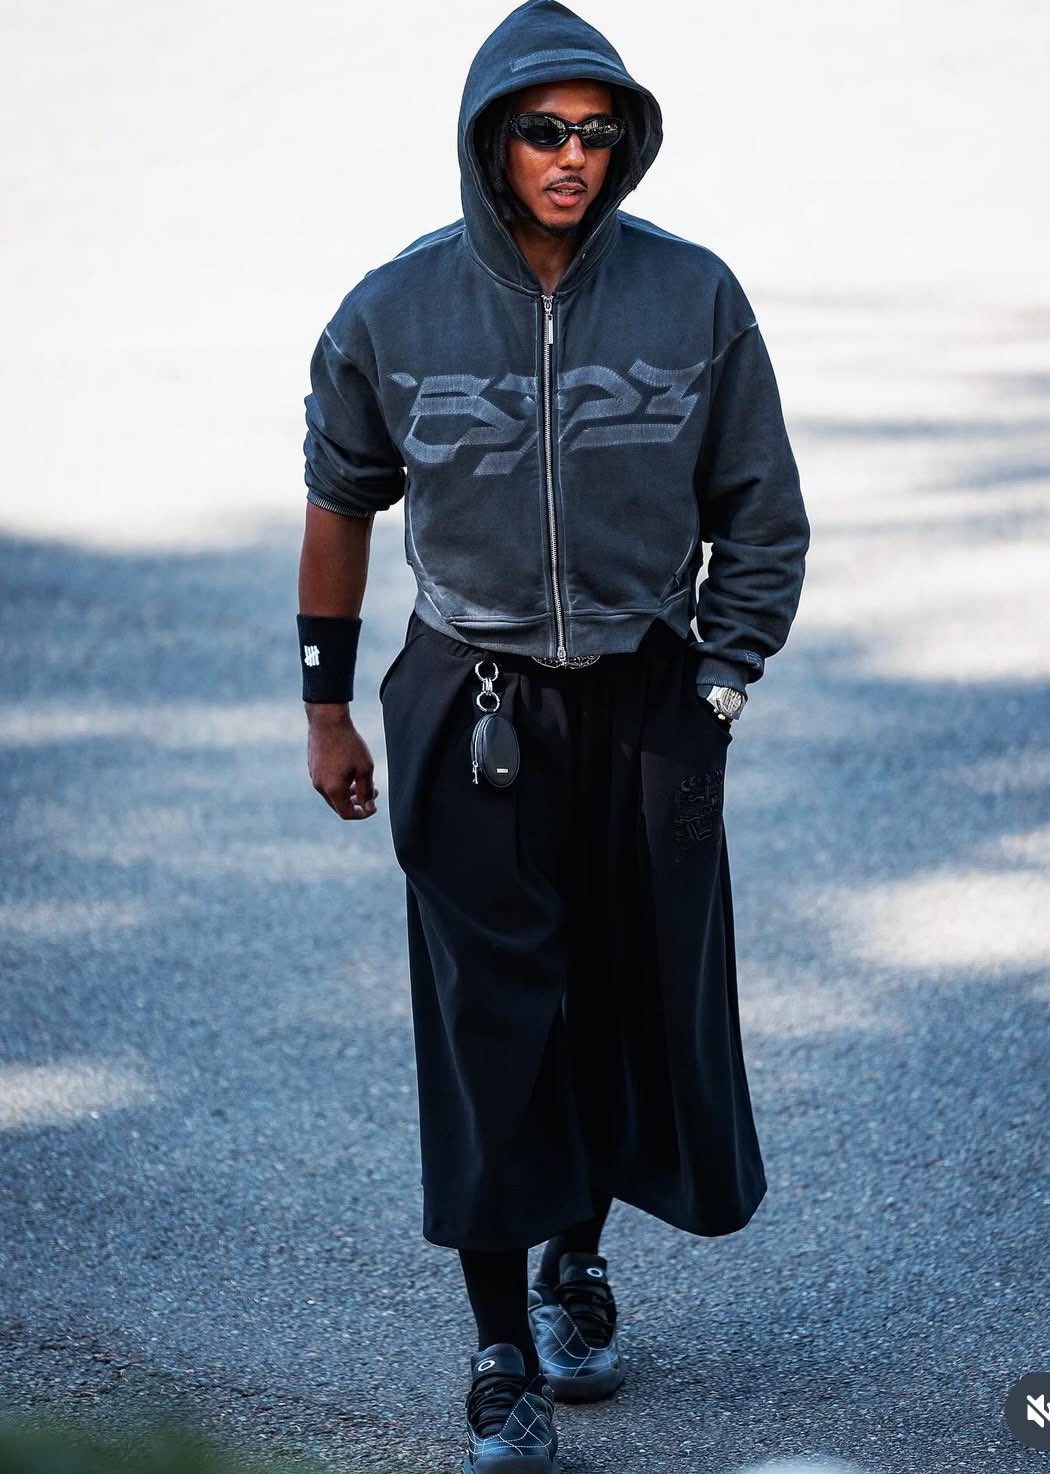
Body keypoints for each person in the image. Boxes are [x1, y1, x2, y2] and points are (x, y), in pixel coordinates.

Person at [297, 1, 809, 1469]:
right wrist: (326, 704)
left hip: (651, 696)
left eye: (596, 131)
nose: (571, 156)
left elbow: (762, 513)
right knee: (490, 1018)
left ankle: (575, 1263)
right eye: (542, 131)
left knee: (618, 994)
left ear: (626, 143)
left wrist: (720, 684)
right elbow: (339, 505)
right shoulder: (393, 313)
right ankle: (499, 1350)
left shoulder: (694, 298)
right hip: (471, 703)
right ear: (490, 143)